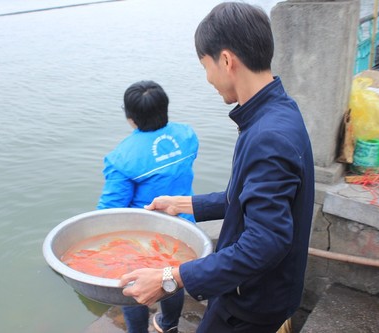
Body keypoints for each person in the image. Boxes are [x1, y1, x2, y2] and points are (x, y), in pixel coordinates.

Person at [119, 2, 315, 333]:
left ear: (225, 60)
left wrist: (171, 277)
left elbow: (266, 241)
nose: (208, 78)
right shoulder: (276, 112)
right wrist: (184, 204)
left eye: (205, 66)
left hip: (251, 301)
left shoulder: (268, 136)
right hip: (262, 290)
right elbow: (248, 199)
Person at [97, 80, 199, 333]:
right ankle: (168, 324)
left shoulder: (122, 158)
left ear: (130, 118)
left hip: (142, 241)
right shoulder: (187, 136)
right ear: (165, 108)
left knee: (134, 286)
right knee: (172, 278)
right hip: (183, 228)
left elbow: (110, 211)